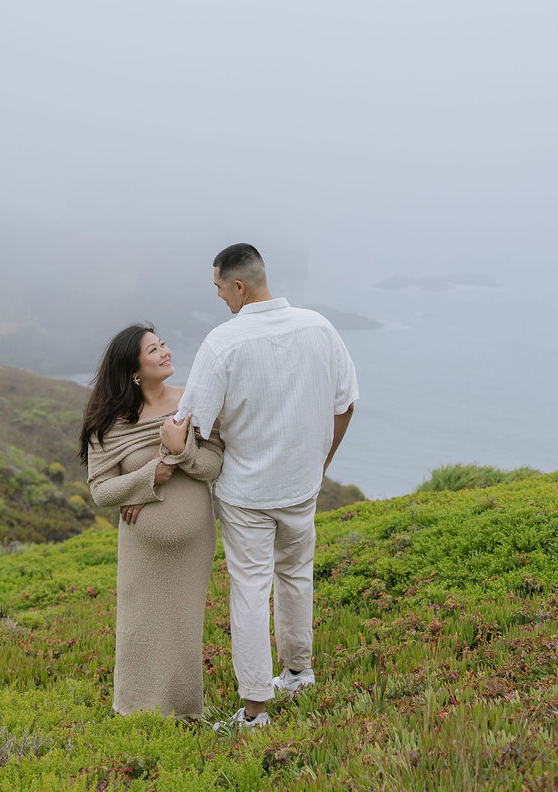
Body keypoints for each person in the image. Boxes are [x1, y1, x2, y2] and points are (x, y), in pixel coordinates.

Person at [173, 244, 357, 730]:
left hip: (247, 493)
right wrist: (321, 463)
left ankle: (255, 709)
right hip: (301, 485)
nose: (220, 298)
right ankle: (298, 672)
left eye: (219, 288)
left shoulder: (223, 343)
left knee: (251, 590)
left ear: (239, 285)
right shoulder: (320, 327)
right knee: (297, 575)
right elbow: (345, 405)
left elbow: (190, 425)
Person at [79, 323, 224, 718]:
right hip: (143, 548)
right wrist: (148, 479)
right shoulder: (110, 424)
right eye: (153, 350)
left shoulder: (192, 403)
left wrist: (181, 454)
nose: (165, 352)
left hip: (193, 545)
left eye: (163, 344)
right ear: (133, 371)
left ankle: (187, 713)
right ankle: (133, 712)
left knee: (183, 630)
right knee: (138, 631)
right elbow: (101, 491)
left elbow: (212, 465)